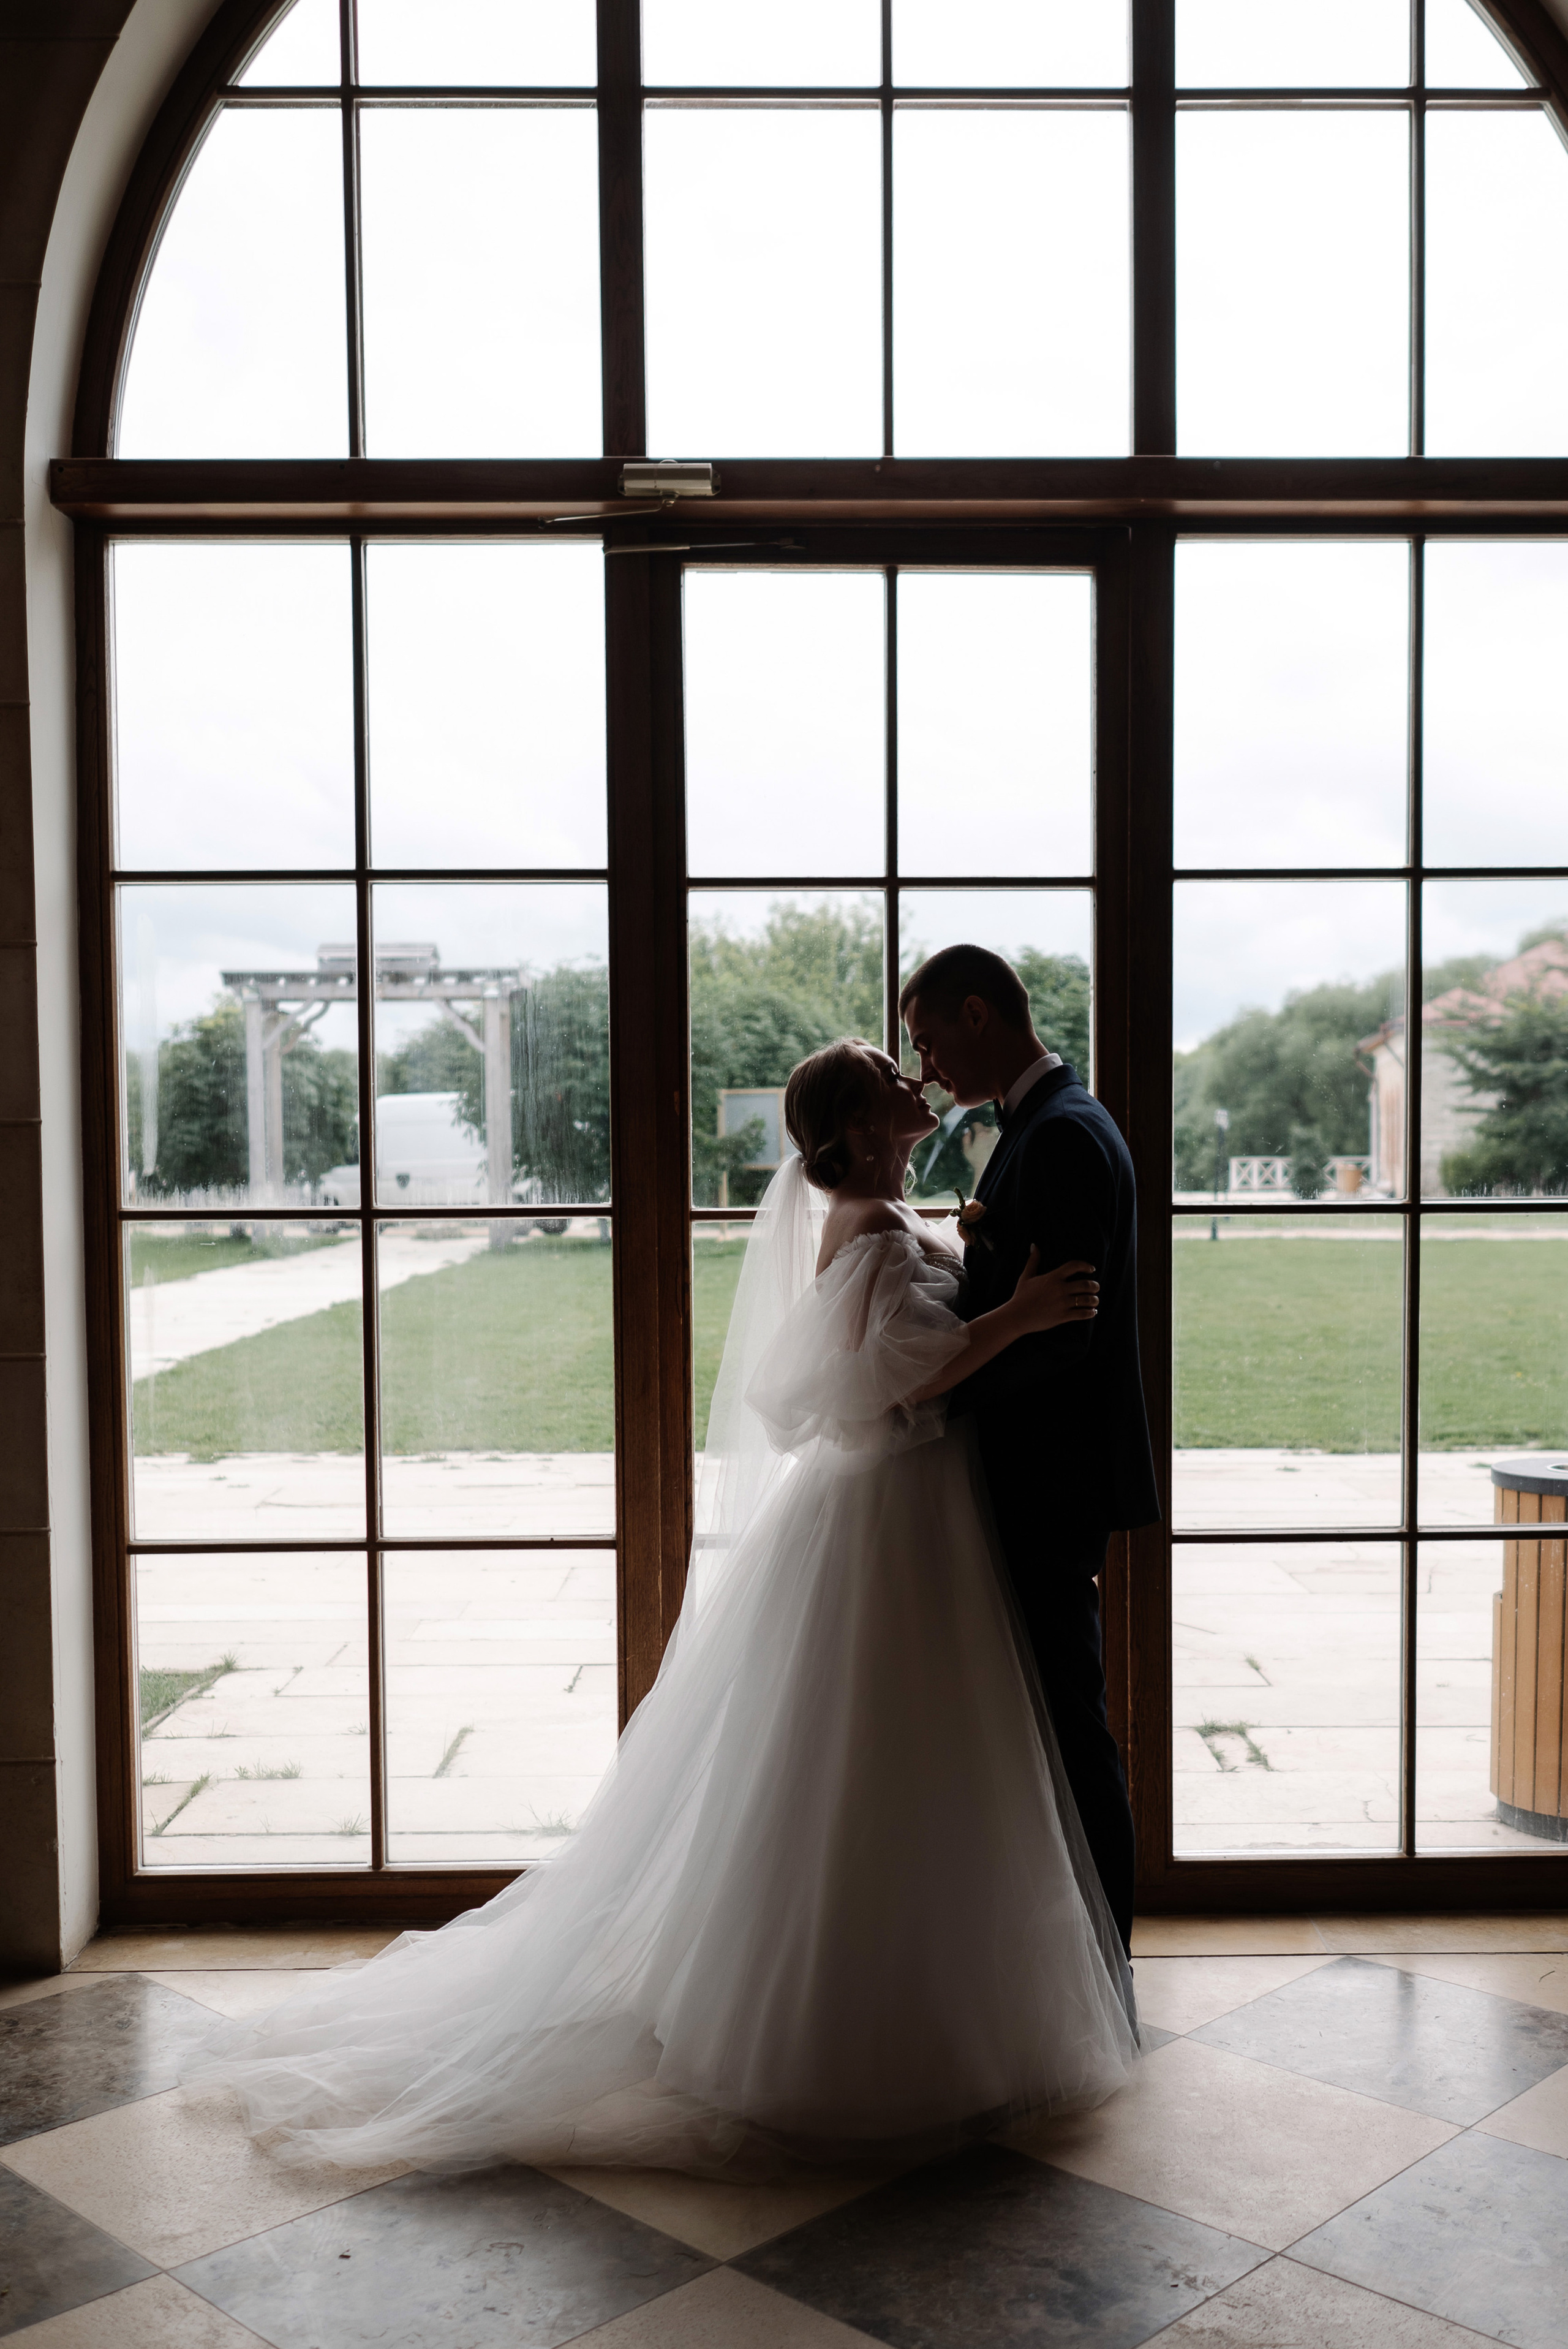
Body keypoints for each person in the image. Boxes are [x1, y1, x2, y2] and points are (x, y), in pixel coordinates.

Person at [183, 1037, 1139, 2179]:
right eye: (892, 1070)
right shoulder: (870, 1226)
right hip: (892, 1515)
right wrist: (1022, 1314)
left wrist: (972, 1244)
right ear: (860, 1118)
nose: (913, 1076)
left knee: (907, 1766)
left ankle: (913, 2000)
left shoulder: (884, 1214)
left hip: (914, 1511)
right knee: (874, 1762)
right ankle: (850, 2033)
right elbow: (891, 1373)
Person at [900, 946, 1160, 1956]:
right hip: (1037, 1471)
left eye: (928, 1040)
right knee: (1047, 1719)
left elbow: (1061, 1335)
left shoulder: (1058, 1137)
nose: (925, 1068)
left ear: (978, 1014)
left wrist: (939, 1397)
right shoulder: (1048, 1124)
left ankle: (1104, 1966)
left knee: (1069, 1722)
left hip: (1047, 1477)